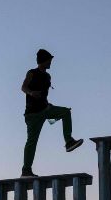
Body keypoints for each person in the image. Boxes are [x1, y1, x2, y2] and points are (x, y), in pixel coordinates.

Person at [20, 49, 83, 177]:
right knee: (32, 142)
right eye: (49, 60)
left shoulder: (48, 76)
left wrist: (49, 107)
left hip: (45, 110)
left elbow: (44, 95)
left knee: (65, 112)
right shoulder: (32, 73)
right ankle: (26, 170)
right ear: (43, 61)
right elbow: (23, 87)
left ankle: (69, 141)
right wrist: (32, 93)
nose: (51, 63)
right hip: (33, 114)